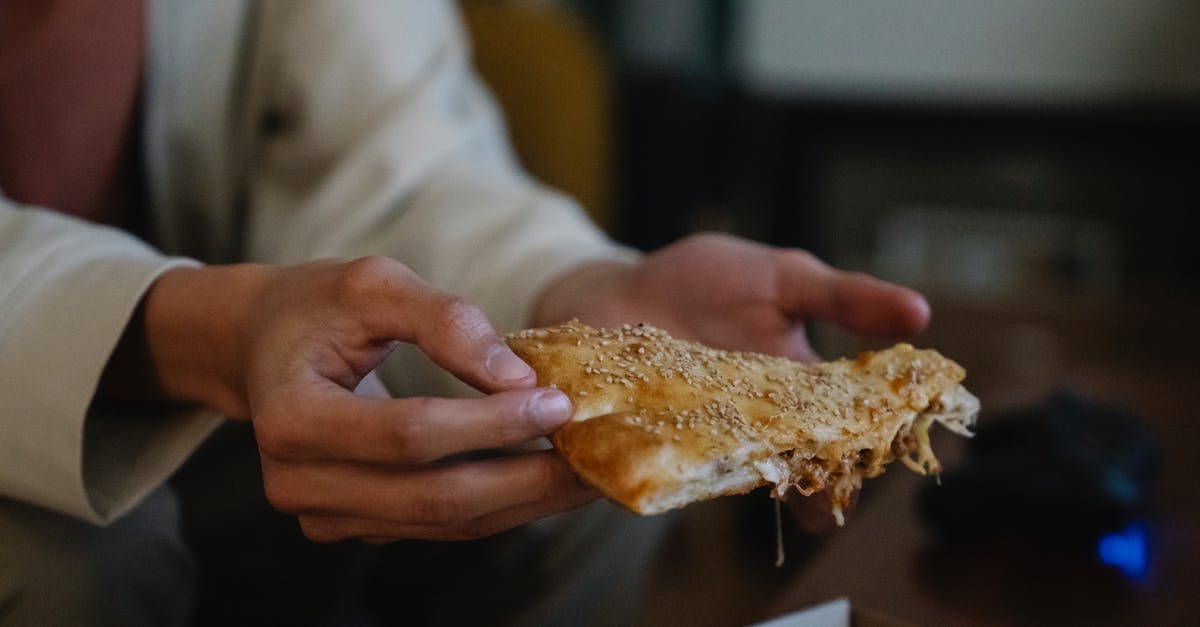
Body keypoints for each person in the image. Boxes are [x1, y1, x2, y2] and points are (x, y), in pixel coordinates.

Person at [0, 1, 931, 625]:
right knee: (85, 563)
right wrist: (213, 330)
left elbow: (398, 157)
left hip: (241, 410)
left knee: (578, 468)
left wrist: (573, 292)